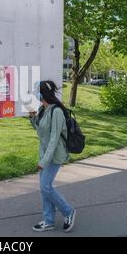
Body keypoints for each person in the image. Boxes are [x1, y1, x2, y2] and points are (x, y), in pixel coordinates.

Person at [29, 80, 76, 233]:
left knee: (45, 186)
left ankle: (68, 211)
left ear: (42, 94)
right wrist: (32, 118)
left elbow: (55, 139)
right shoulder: (43, 108)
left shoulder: (56, 111)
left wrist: (43, 161)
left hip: (54, 155)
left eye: (37, 92)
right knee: (44, 188)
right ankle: (49, 221)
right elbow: (40, 130)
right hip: (44, 153)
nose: (35, 94)